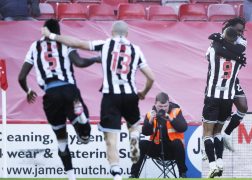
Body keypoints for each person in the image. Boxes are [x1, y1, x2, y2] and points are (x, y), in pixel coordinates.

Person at [42, 20, 155, 180]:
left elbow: (78, 43)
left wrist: (52, 35)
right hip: (130, 94)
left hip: (110, 96)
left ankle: (116, 174)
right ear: (127, 34)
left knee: (110, 138)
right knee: (134, 126)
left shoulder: (105, 44)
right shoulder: (136, 50)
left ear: (111, 31)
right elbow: (151, 77)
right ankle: (134, 136)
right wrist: (143, 91)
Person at [18, 19, 100, 180]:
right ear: (58, 31)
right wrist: (94, 60)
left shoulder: (35, 47)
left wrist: (28, 90)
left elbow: (21, 77)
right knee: (85, 137)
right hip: (69, 89)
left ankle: (71, 177)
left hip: (50, 95)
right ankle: (82, 119)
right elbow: (80, 62)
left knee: (61, 139)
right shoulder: (64, 43)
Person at [203, 27, 246, 178]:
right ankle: (220, 162)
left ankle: (212, 165)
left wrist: (219, 39)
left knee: (207, 133)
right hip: (227, 98)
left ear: (223, 36)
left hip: (212, 96)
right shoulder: (239, 57)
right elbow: (238, 48)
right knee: (217, 132)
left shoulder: (213, 51)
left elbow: (212, 48)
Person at [208, 17, 248, 152]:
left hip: (232, 80)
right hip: (218, 80)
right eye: (238, 31)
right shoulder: (218, 39)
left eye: (242, 31)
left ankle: (227, 134)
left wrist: (223, 44)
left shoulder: (242, 40)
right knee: (217, 117)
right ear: (229, 27)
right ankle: (208, 146)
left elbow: (238, 51)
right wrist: (236, 57)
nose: (240, 34)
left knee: (243, 107)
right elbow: (218, 52)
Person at [130, 92, 188, 178]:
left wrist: (171, 119)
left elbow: (183, 128)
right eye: (160, 106)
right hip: (156, 148)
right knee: (141, 143)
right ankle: (134, 174)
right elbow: (146, 132)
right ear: (155, 104)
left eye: (165, 106)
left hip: (172, 150)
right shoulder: (150, 114)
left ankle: (182, 174)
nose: (163, 109)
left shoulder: (176, 111)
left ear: (169, 103)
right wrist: (150, 121)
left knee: (177, 143)